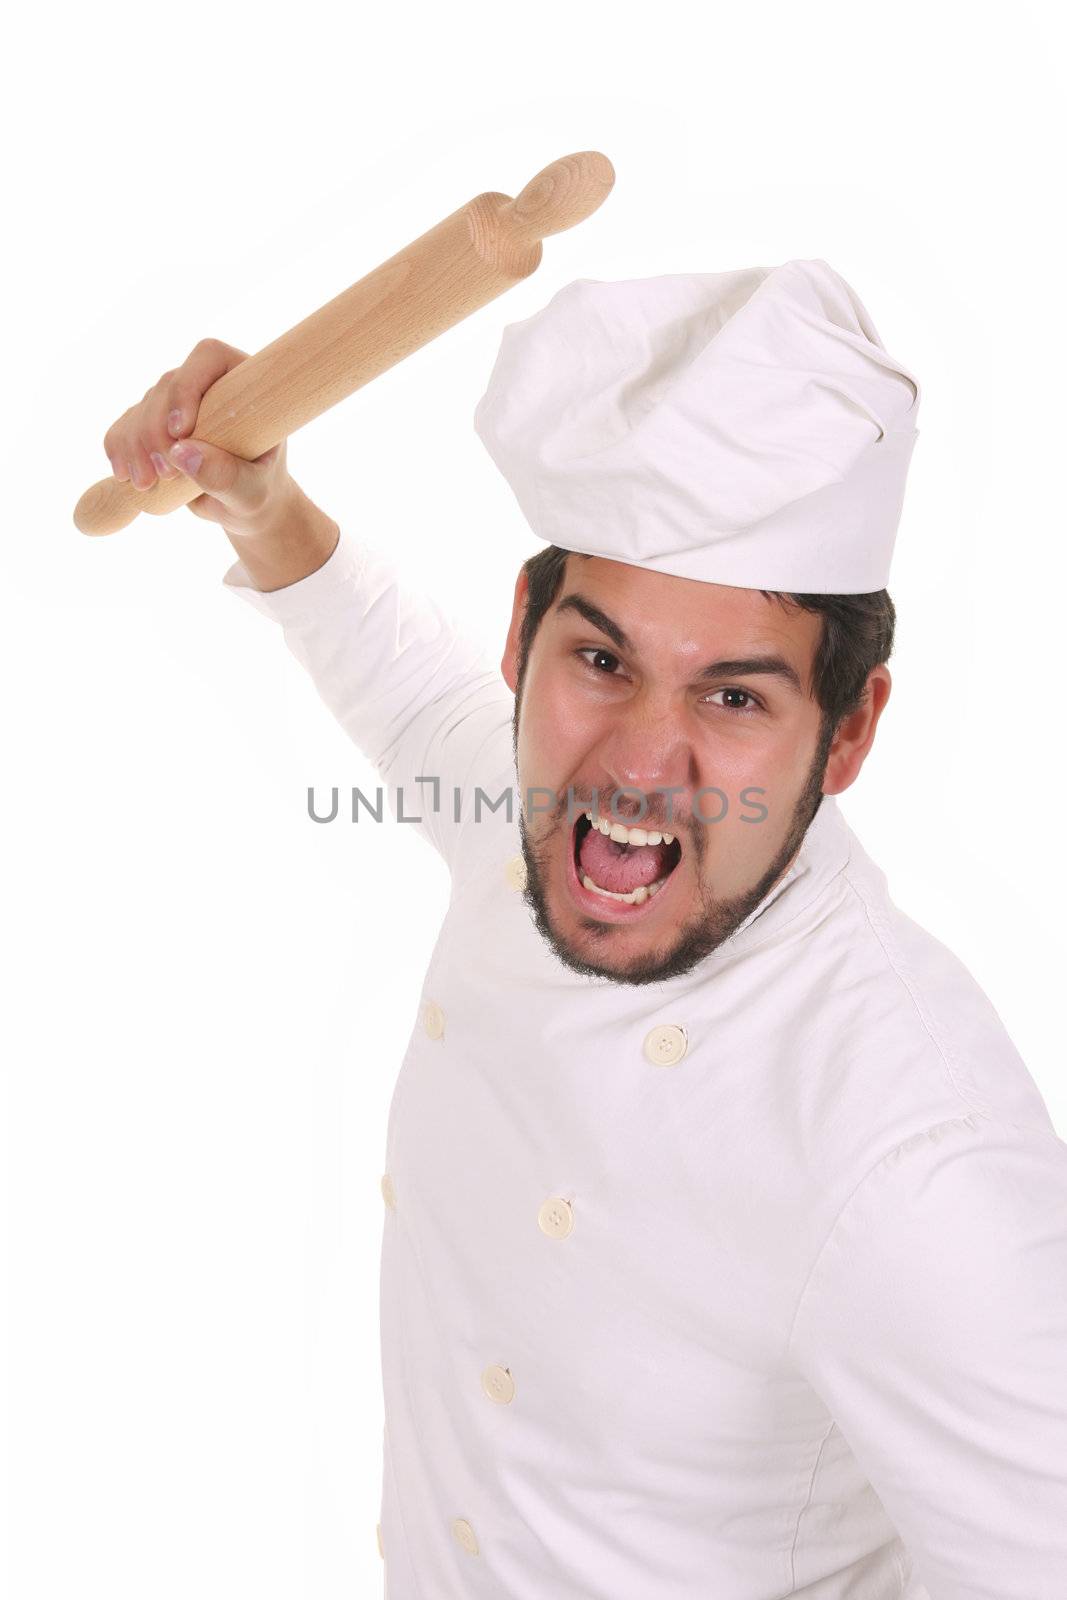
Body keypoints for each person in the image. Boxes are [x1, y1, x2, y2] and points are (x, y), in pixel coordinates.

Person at [103, 260, 1067, 1598]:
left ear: (848, 731)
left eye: (734, 699)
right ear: (524, 639)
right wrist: (259, 507)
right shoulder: (533, 823)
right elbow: (411, 702)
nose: (633, 765)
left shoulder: (916, 1159)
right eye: (601, 662)